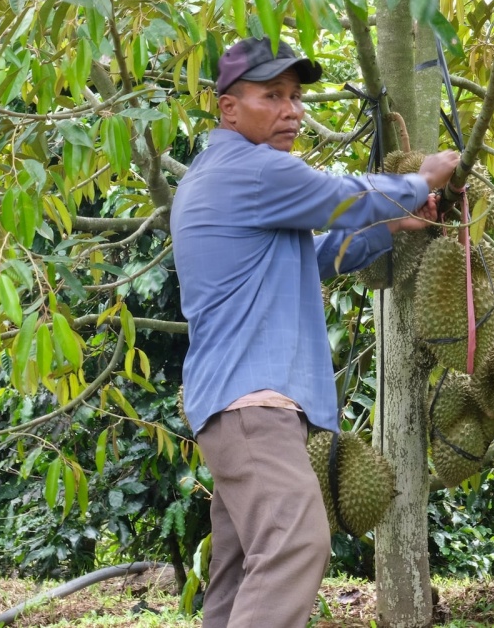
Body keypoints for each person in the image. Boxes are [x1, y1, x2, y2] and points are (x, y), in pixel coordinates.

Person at [169, 36, 458, 627]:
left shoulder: (221, 177)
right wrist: (421, 179)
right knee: (298, 543)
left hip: (230, 410)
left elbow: (316, 255)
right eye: (271, 95)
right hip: (253, 408)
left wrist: (393, 226)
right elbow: (337, 195)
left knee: (239, 570)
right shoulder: (251, 170)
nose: (292, 109)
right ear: (227, 107)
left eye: (296, 96)